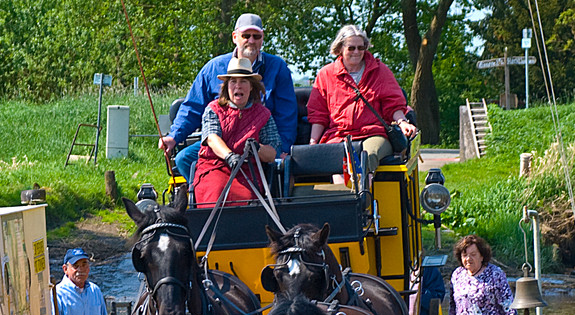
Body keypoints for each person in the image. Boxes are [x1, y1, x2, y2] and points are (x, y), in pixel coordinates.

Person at [161, 13, 298, 180]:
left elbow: (287, 115)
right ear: (235, 37)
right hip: (220, 142)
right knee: (184, 159)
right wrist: (174, 137)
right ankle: (203, 198)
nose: (251, 40)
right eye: (246, 35)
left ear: (262, 38)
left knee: (275, 165)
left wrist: (282, 150)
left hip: (258, 144)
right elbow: (192, 108)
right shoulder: (213, 68)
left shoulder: (277, 67)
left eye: (257, 36)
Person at [306, 24, 420, 177]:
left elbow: (393, 104)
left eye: (361, 48)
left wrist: (402, 122)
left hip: (374, 133)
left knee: (366, 156)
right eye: (351, 48)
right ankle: (344, 199)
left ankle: (363, 198)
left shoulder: (380, 71)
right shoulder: (326, 75)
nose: (356, 52)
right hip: (339, 136)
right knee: (335, 161)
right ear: (340, 49)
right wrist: (313, 144)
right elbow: (318, 114)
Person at [192, 57, 280, 206]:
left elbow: (272, 154)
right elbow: (212, 138)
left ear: (251, 87)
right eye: (233, 82)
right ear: (227, 86)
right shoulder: (213, 109)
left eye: (243, 82)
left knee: (245, 202)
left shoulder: (263, 114)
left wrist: (257, 148)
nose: (238, 86)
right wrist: (230, 156)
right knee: (216, 194)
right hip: (214, 166)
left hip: (247, 171)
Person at [54, 247, 106, 315]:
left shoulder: (95, 290)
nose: (80, 270)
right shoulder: (57, 294)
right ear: (65, 269)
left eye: (84, 264)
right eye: (75, 266)